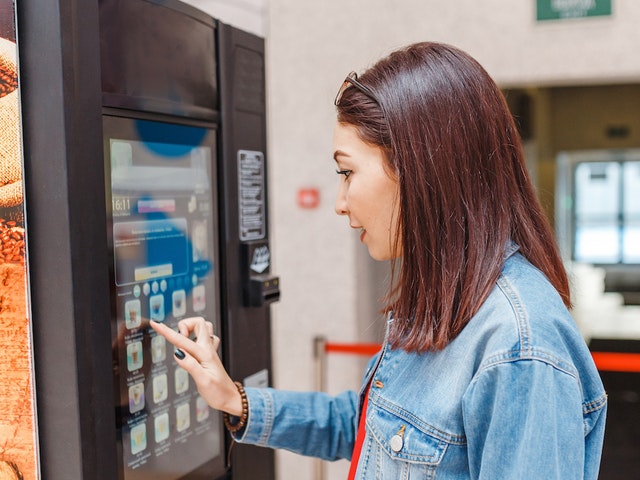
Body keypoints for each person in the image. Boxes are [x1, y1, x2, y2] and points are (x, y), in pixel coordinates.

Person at [151, 41, 607, 479]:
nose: (340, 202)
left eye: (347, 172)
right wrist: (236, 400)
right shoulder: (447, 296)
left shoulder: (519, 347)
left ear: (418, 168)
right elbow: (373, 428)